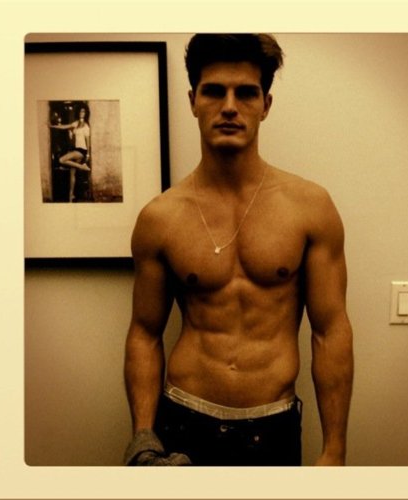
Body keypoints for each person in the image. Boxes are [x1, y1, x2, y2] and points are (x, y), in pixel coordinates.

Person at [123, 34, 354, 467]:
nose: (229, 106)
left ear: (265, 104)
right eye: (214, 91)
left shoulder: (310, 206)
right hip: (183, 424)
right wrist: (143, 436)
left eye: (246, 93)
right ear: (193, 101)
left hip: (273, 428)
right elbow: (144, 333)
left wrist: (334, 449)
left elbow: (331, 331)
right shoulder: (160, 217)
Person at [49, 106, 91, 202]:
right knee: (72, 174)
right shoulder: (76, 123)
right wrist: (53, 126)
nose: (82, 113)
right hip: (75, 149)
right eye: (80, 111)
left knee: (61, 160)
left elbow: (88, 142)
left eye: (83, 111)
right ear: (78, 112)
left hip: (82, 151)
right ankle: (71, 196)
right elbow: (64, 127)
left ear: (86, 113)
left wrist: (88, 154)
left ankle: (82, 167)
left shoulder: (86, 126)